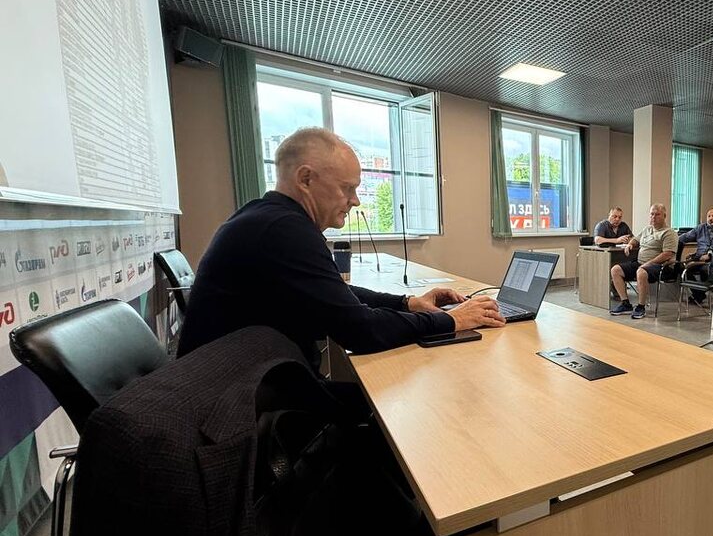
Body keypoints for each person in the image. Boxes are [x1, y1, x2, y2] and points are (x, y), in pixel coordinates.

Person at [179, 127, 505, 366]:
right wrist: (453, 320)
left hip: (242, 382)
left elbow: (335, 293)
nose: (355, 200)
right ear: (305, 179)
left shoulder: (267, 217)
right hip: (238, 405)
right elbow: (361, 331)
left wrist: (408, 303)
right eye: (347, 188)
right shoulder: (284, 230)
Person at [610, 203, 678, 320]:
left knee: (641, 272)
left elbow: (668, 254)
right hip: (641, 263)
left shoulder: (669, 233)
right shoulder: (647, 229)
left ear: (664, 216)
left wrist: (649, 263)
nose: (653, 217)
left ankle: (641, 307)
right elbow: (635, 239)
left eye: (657, 214)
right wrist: (630, 244)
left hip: (660, 266)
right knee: (615, 270)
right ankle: (625, 304)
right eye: (652, 214)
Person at [678, 207, 713, 303]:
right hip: (699, 259)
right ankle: (699, 294)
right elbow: (684, 237)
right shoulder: (700, 228)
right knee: (683, 268)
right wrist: (673, 238)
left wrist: (710, 256)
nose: (711, 218)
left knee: (706, 270)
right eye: (709, 216)